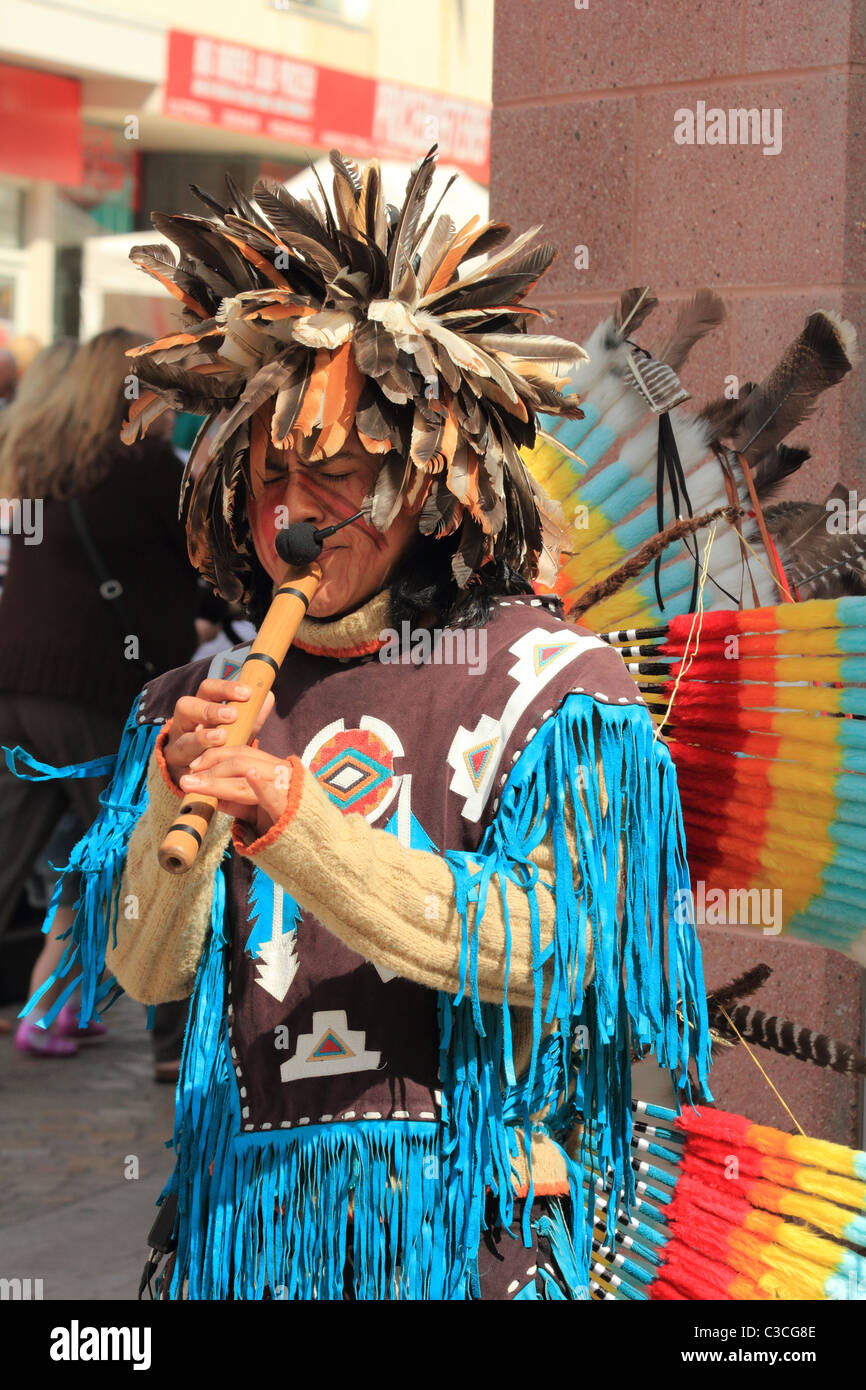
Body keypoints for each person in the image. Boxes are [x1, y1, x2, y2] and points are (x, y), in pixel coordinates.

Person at [14, 150, 711, 1297]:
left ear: (432, 487)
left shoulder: (550, 684)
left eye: (341, 472)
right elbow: (143, 971)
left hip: (476, 1237)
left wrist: (292, 816)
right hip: (249, 1241)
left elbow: (561, 945)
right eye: (271, 471)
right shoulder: (198, 697)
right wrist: (169, 817)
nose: (295, 512)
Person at [0, 330, 201, 1054]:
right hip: (96, 692)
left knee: (12, 855)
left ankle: (55, 1004)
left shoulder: (38, 461)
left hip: (15, 686)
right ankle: (171, 1041)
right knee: (141, 854)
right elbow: (203, 558)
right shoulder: (143, 466)